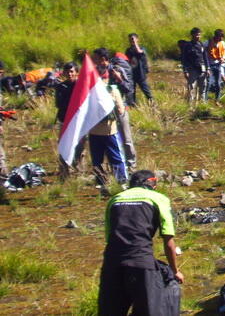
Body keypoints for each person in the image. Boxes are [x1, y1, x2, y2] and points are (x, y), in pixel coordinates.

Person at [98, 169, 184, 314]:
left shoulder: (114, 200)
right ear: (152, 183)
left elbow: (109, 237)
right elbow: (168, 240)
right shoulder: (158, 198)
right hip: (141, 263)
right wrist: (175, 271)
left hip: (112, 263)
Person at [93, 48, 137, 170]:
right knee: (108, 139)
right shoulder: (95, 73)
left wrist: (119, 79)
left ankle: (131, 164)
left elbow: (128, 89)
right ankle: (114, 164)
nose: (93, 61)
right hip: (103, 112)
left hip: (119, 109)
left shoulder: (117, 69)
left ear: (103, 59)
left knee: (126, 137)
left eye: (95, 58)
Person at [88, 79, 129, 193]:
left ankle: (101, 182)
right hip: (110, 131)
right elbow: (121, 110)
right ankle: (122, 181)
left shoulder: (88, 92)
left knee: (97, 159)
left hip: (93, 131)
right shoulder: (113, 90)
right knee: (117, 157)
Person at [55, 62, 84, 179]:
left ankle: (79, 170)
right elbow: (59, 104)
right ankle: (64, 172)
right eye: (67, 72)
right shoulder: (61, 87)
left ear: (76, 72)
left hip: (79, 121)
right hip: (65, 121)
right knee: (64, 146)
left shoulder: (81, 86)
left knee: (80, 147)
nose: (69, 74)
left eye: (72, 71)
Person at [180, 27, 208, 104]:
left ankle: (202, 106)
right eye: (197, 35)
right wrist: (185, 71)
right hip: (192, 70)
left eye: (199, 35)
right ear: (192, 35)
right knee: (191, 88)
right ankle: (190, 108)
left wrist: (208, 68)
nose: (198, 36)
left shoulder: (201, 44)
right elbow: (184, 59)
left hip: (202, 70)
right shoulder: (188, 45)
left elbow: (205, 57)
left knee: (203, 89)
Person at [125, 33, 154, 106]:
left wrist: (135, 43)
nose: (131, 40)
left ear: (137, 39)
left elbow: (139, 52)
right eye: (130, 39)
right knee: (132, 91)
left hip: (140, 73)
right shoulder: (128, 50)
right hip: (132, 73)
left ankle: (152, 103)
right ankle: (133, 105)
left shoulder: (142, 48)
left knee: (146, 90)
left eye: (133, 38)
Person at [206, 29, 225, 102]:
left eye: (221, 37)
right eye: (219, 37)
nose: (220, 38)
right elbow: (203, 52)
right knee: (209, 83)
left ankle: (217, 100)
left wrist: (222, 59)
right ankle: (205, 100)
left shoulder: (222, 43)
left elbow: (223, 53)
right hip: (210, 65)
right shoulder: (208, 42)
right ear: (216, 36)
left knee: (218, 83)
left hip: (218, 65)